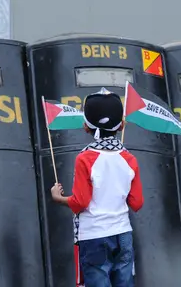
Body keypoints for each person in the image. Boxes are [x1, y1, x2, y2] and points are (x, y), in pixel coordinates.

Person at [50, 89, 144, 287]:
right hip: (123, 235)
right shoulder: (130, 159)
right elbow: (137, 203)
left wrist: (59, 198)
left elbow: (80, 202)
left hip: (94, 238)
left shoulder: (84, 159)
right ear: (122, 125)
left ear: (85, 127)